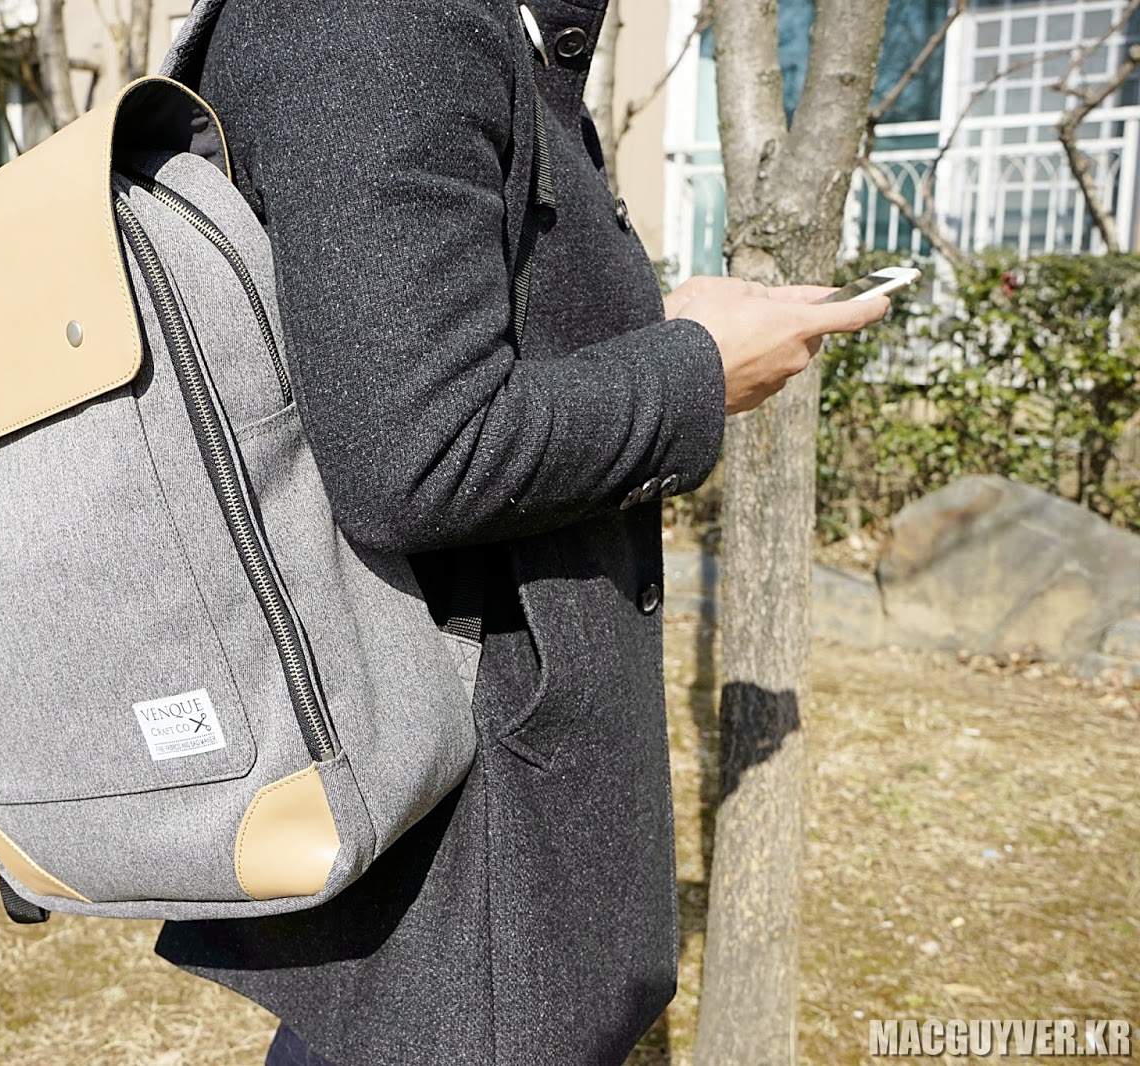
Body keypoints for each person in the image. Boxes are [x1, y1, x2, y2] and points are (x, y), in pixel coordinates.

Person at [154, 2, 890, 1064]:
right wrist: (696, 367)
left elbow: (422, 357)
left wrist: (664, 333)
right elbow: (420, 454)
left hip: (468, 823)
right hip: (459, 852)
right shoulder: (381, 23)